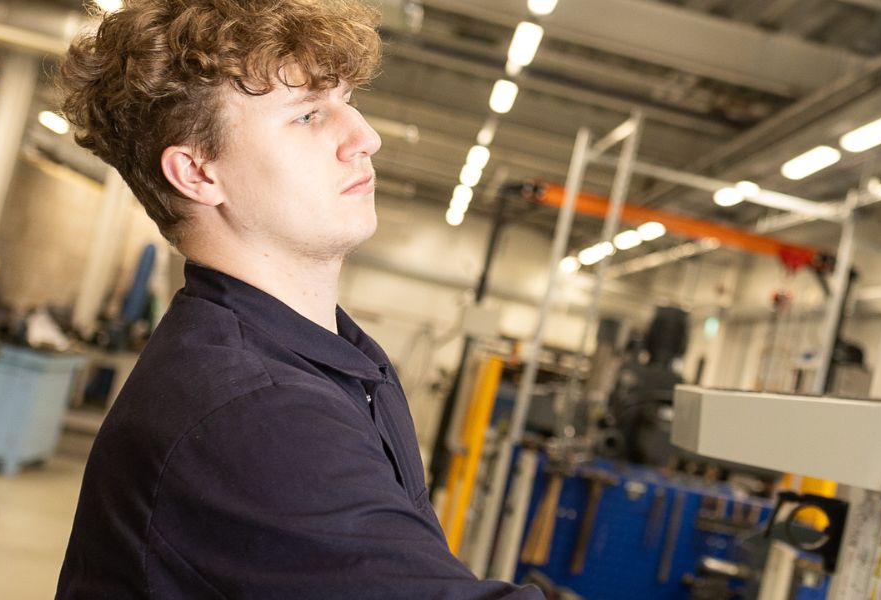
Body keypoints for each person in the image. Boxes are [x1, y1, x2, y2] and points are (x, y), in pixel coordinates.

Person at [52, 1, 537, 597]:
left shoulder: (333, 358)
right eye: (308, 115)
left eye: (347, 101)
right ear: (199, 174)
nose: (366, 137)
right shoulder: (255, 410)